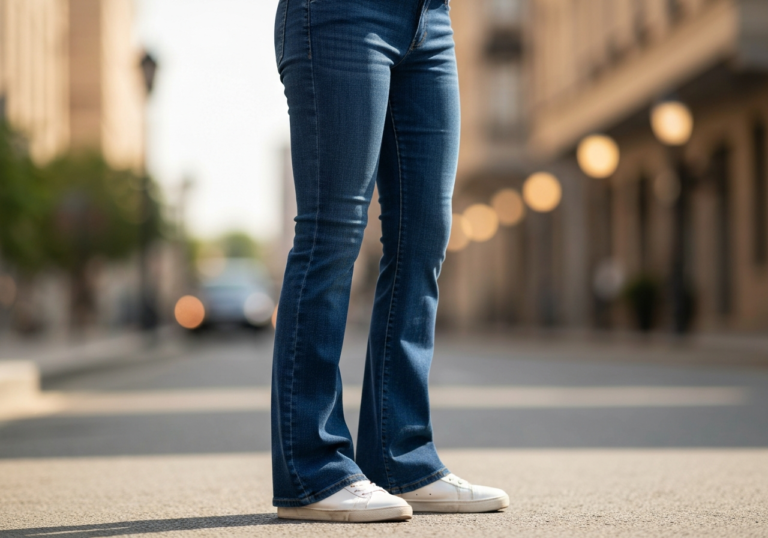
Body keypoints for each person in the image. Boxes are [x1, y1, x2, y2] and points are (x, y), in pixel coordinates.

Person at [271, 0, 509, 522]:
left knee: (424, 234)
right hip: (340, 15)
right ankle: (312, 469)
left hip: (431, 19)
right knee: (332, 234)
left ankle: (403, 461)